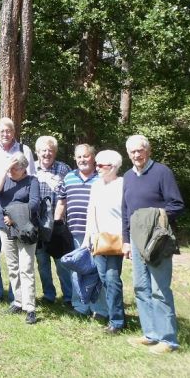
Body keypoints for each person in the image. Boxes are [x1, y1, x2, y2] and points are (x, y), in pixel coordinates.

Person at [122, 135, 184, 354]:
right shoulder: (128, 177)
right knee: (141, 288)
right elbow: (125, 212)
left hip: (158, 242)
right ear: (128, 154)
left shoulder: (162, 172)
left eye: (140, 150)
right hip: (137, 243)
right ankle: (150, 334)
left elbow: (176, 205)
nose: (136, 155)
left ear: (148, 151)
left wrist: (155, 218)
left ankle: (169, 340)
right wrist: (126, 241)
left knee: (160, 289)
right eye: (132, 152)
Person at [0, 117, 35, 303]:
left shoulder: (24, 150)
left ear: (14, 132)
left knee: (17, 254)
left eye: (8, 130)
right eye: (2, 131)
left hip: (17, 205)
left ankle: (15, 296)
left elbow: (32, 176)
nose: (5, 134)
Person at [55, 144, 108, 318]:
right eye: (79, 157)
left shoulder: (101, 178)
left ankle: (99, 309)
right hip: (75, 231)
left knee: (99, 271)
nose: (82, 160)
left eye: (85, 156)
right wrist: (57, 224)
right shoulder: (69, 177)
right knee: (78, 269)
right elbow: (62, 202)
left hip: (99, 233)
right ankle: (80, 306)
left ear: (93, 158)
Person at [0, 152, 40, 325]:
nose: (12, 171)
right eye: (10, 168)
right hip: (5, 227)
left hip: (25, 228)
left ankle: (30, 308)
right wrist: (5, 168)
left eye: (15, 168)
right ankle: (18, 301)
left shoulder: (32, 181)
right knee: (12, 266)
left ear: (24, 168)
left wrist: (13, 215)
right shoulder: (5, 177)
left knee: (26, 267)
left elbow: (34, 203)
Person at [83, 149, 125, 334]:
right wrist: (87, 238)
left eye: (101, 165)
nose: (97, 168)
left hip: (116, 240)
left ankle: (117, 322)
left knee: (112, 279)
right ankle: (112, 313)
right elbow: (91, 213)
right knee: (103, 278)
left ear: (114, 167)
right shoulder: (96, 185)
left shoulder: (123, 184)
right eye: (96, 164)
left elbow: (127, 215)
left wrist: (127, 239)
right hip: (98, 240)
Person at [33, 135, 72, 307]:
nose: (47, 154)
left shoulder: (64, 169)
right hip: (38, 223)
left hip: (58, 222)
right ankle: (48, 295)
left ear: (55, 152)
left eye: (50, 150)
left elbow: (70, 195)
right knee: (42, 262)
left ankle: (69, 296)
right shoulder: (31, 169)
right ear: (37, 152)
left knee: (62, 262)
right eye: (43, 150)